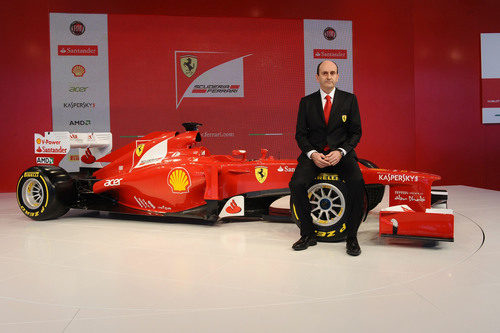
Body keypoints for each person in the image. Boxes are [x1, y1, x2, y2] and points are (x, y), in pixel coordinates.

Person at [289, 60, 364, 256]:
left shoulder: (350, 100)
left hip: (341, 155)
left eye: (332, 73)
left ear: (338, 76)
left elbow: (356, 133)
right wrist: (312, 154)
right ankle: (307, 234)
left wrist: (341, 152)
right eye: (324, 73)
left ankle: (352, 237)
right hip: (314, 155)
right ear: (317, 77)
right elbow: (300, 135)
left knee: (357, 182)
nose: (328, 76)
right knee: (296, 184)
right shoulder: (306, 102)